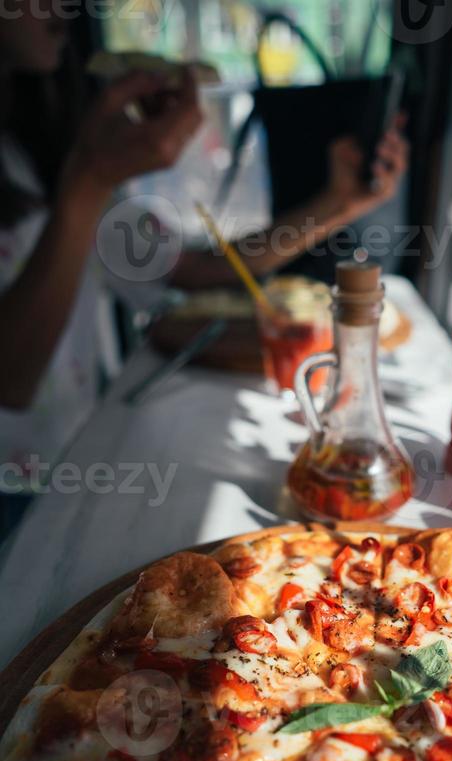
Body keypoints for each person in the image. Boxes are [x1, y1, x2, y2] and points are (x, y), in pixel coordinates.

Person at [0, 4, 407, 532]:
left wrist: (338, 204)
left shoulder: (34, 149)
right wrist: (90, 179)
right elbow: (11, 379)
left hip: (72, 458)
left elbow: (194, 269)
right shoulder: (75, 165)